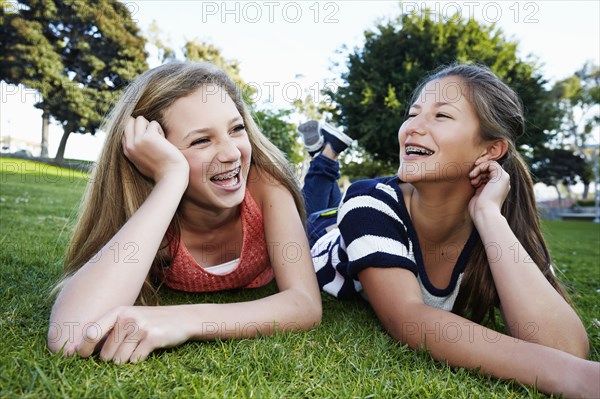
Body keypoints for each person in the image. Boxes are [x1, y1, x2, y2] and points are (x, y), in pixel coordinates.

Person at [303, 64, 600, 398]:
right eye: (413, 114)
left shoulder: (499, 224)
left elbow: (566, 346)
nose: (412, 127)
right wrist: (571, 377)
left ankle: (322, 158)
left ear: (491, 150)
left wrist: (488, 215)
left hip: (371, 223)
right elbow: (409, 318)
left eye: (441, 116)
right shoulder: (368, 201)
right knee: (308, 204)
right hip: (324, 235)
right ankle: (323, 158)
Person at [47, 61, 322, 364]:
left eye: (237, 128)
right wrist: (171, 178)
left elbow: (305, 303)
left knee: (323, 204)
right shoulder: (148, 211)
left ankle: (325, 158)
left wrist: (184, 320)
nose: (231, 153)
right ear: (151, 153)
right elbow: (71, 337)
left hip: (318, 233)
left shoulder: (267, 185)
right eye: (201, 140)